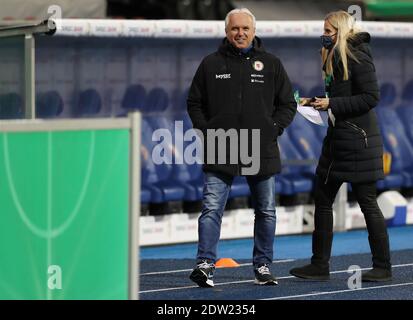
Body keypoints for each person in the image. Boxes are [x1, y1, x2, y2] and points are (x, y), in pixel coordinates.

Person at [187, 8, 296, 287]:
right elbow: (194, 102)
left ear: (254, 31)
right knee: (211, 208)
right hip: (221, 147)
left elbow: (287, 104)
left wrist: (273, 129)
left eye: (245, 28)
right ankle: (205, 265)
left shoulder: (271, 63)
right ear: (226, 32)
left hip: (261, 148)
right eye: (235, 29)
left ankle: (262, 266)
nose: (240, 33)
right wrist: (207, 130)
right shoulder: (211, 64)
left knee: (266, 210)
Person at [289, 11, 392, 282]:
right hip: (337, 141)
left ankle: (382, 266)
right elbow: (342, 96)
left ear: (341, 31)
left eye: (328, 30)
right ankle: (319, 265)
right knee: (322, 200)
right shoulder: (333, 55)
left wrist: (332, 104)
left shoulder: (357, 55)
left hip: (359, 141)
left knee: (368, 203)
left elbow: (371, 97)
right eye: (323, 30)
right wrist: (315, 102)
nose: (324, 35)